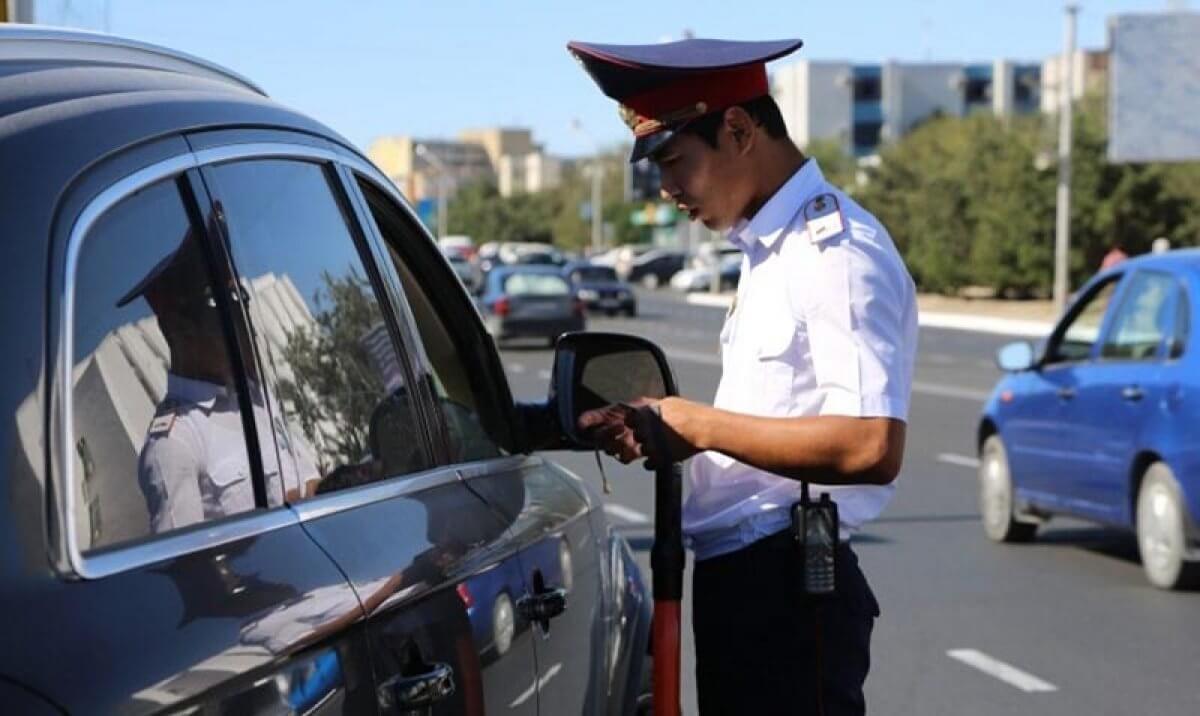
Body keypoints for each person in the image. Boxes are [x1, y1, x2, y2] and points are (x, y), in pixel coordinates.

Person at [568, 38, 917, 715]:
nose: (666, 189)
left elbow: (872, 445)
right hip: (752, 584)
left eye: (674, 160)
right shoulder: (770, 250)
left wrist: (697, 423)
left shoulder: (832, 252)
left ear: (737, 128)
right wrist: (669, 429)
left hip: (787, 591)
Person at [120, 230, 319, 534]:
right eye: (224, 306)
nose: (245, 322)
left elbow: (308, 479)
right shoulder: (175, 443)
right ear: (179, 330)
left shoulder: (257, 398)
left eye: (243, 301)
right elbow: (194, 573)